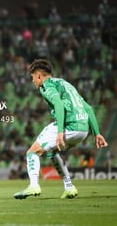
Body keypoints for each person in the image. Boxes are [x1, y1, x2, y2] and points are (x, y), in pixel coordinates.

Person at [14, 59, 108, 200]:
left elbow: (57, 102)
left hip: (69, 125)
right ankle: (69, 187)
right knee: (51, 152)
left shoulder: (46, 85)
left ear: (39, 75)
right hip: (83, 129)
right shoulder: (66, 84)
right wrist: (97, 133)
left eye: (33, 77)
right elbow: (88, 108)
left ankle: (33, 185)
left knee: (32, 152)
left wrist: (59, 131)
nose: (33, 81)